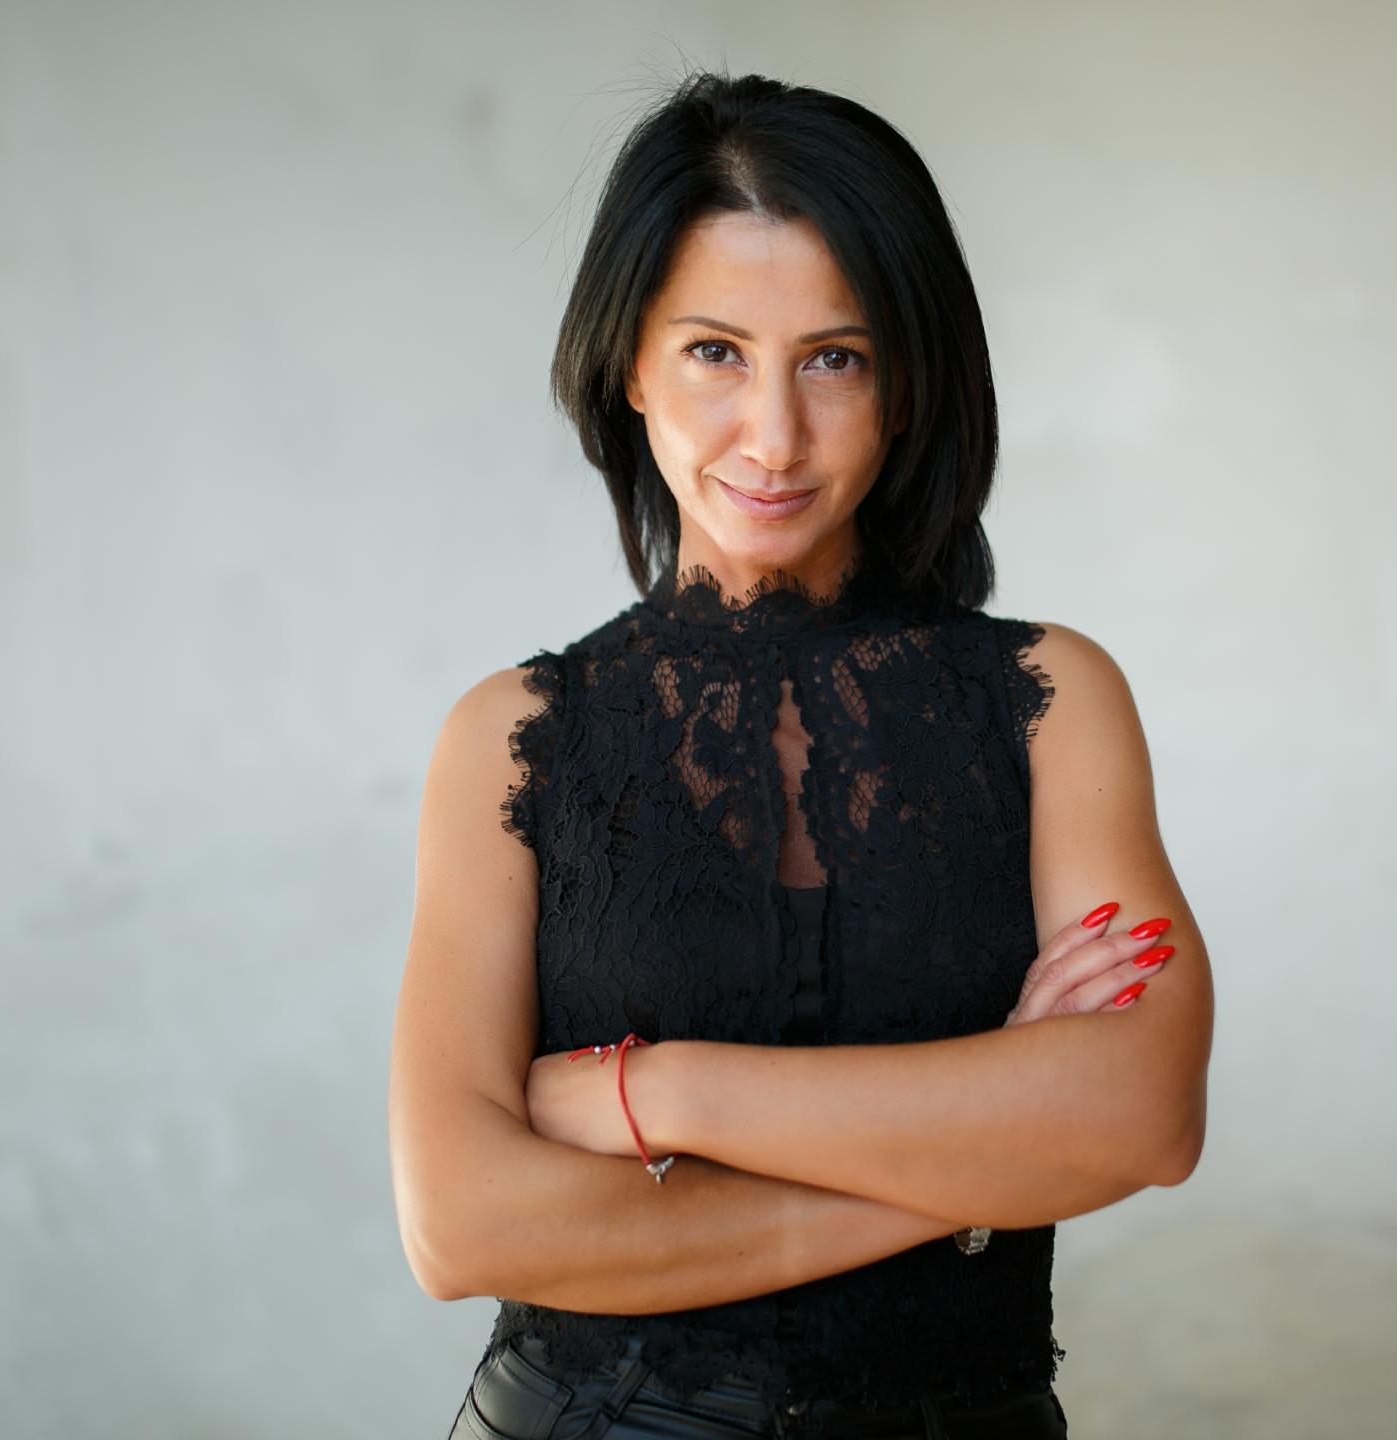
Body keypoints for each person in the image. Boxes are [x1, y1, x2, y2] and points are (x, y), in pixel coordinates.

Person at [389, 69, 1213, 1440]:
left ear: (907, 383)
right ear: (629, 363)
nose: (773, 437)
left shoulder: (1050, 701)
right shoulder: (512, 737)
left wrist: (656, 1091)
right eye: (716, 351)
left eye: (836, 358)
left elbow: (1144, 1117)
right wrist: (977, 1168)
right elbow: (462, 1225)